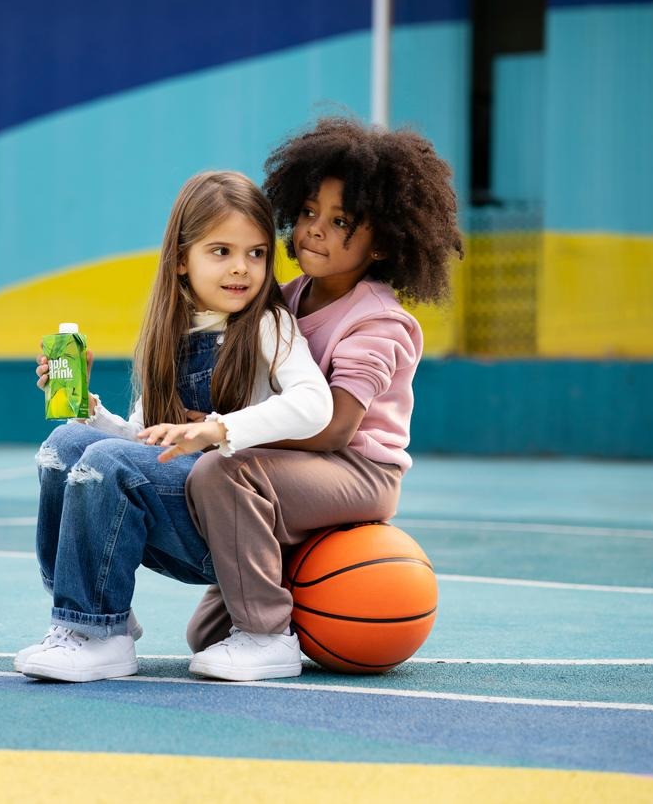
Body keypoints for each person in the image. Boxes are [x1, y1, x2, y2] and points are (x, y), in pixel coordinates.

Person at [18, 170, 334, 683]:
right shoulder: (173, 334)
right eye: (221, 251)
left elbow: (314, 405)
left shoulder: (268, 325)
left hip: (236, 529)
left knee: (102, 460)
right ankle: (95, 622)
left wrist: (217, 429)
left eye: (256, 253)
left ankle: (98, 631)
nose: (242, 269)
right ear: (182, 259)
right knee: (66, 444)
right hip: (177, 518)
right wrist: (88, 411)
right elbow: (141, 443)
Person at [184, 117, 464, 681]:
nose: (315, 230)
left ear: (383, 241)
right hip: (297, 465)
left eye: (341, 222)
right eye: (310, 213)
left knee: (223, 472)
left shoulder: (379, 319)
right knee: (201, 638)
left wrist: (226, 428)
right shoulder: (285, 299)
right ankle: (267, 609)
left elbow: (336, 429)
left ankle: (267, 637)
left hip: (358, 470)